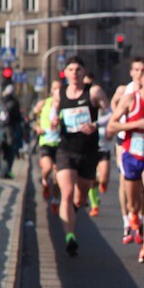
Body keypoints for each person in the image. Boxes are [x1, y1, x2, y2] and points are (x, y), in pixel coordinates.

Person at [108, 62, 144, 264]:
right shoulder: (130, 99)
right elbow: (112, 125)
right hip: (131, 155)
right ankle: (134, 215)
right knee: (133, 203)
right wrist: (135, 124)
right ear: (141, 82)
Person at [49, 58, 109, 256]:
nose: (74, 73)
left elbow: (110, 114)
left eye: (78, 69)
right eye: (70, 69)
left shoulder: (93, 92)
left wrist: (95, 124)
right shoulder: (59, 93)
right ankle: (70, 237)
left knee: (80, 197)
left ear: (83, 72)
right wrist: (53, 120)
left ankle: (73, 211)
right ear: (65, 73)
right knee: (66, 193)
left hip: (88, 152)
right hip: (66, 150)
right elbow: (53, 112)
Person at [0, 86, 23, 179]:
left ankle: (2, 171)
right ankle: (7, 171)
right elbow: (17, 117)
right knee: (9, 150)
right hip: (11, 129)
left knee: (2, 150)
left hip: (1, 128)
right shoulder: (14, 102)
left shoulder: (1, 101)